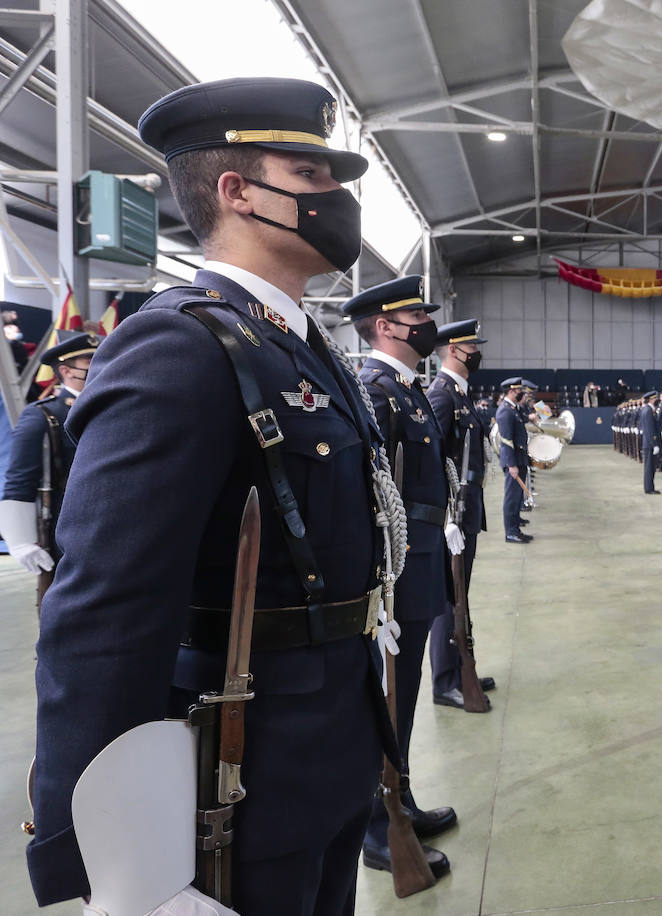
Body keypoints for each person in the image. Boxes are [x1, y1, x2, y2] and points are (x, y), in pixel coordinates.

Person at [29, 77, 403, 911]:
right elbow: (104, 613)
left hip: (330, 748)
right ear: (236, 192)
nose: (336, 197)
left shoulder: (302, 347)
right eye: (311, 177)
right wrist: (119, 864)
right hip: (242, 777)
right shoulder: (179, 344)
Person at [347, 276, 460, 874]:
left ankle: (401, 795)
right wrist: (378, 590)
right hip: (393, 573)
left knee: (405, 694)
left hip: (416, 564)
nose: (426, 321)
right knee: (384, 699)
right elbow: (368, 498)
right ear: (385, 326)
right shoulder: (375, 391)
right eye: (414, 314)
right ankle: (376, 825)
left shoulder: (407, 392)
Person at [426, 319, 498, 710]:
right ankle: (445, 682)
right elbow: (433, 461)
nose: (477, 352)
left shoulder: (461, 395)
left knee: (460, 596)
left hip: (466, 512)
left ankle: (461, 665)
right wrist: (446, 517)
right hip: (453, 516)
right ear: (454, 350)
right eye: (472, 346)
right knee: (447, 599)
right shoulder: (442, 396)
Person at [0, 333, 99, 609]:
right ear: (65, 370)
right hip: (64, 524)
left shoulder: (110, 407)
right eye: (89, 360)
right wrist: (20, 541)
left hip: (109, 522)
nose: (97, 365)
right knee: (65, 605)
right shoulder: (44, 414)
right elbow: (20, 480)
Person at [497, 378, 535, 538]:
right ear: (512, 391)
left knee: (517, 494)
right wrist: (511, 464)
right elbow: (506, 441)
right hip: (514, 460)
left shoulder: (513, 408)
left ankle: (515, 522)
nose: (523, 394)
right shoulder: (505, 411)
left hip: (520, 458)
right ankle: (511, 532)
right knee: (512, 498)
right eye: (520, 391)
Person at [639, 390, 662, 494]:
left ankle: (650, 487)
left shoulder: (648, 409)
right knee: (649, 467)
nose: (657, 400)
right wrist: (654, 444)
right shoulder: (648, 411)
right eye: (655, 398)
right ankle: (648, 489)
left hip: (649, 443)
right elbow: (649, 430)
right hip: (649, 444)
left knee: (651, 467)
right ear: (652, 399)